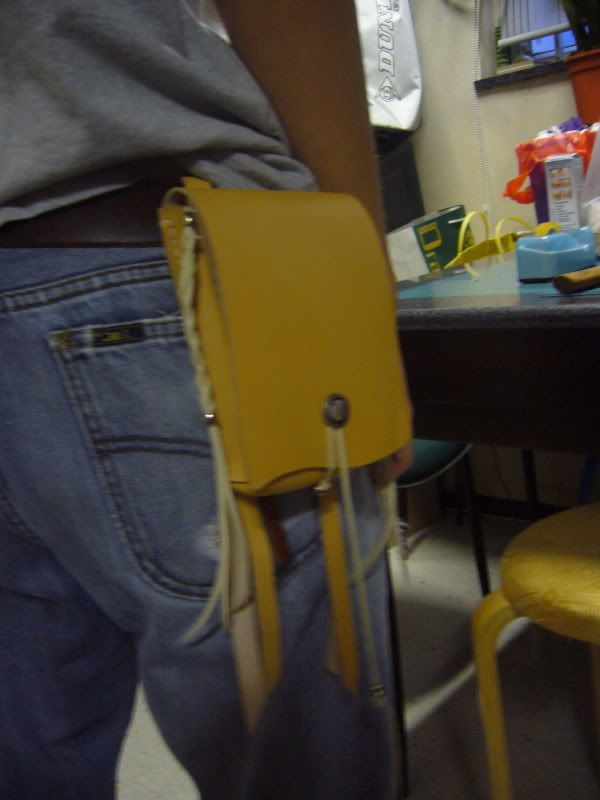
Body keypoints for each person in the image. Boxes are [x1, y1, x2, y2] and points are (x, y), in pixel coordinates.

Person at [0, 2, 411, 798]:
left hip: (114, 281)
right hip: (157, 275)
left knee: (29, 759)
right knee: (303, 767)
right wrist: (358, 283)